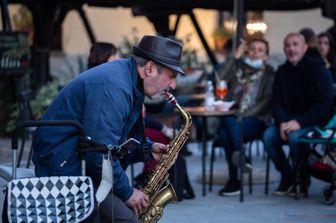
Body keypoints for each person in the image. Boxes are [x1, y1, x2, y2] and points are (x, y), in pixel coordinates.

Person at [32, 35, 185, 222]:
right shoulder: (114, 88)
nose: (173, 85)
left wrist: (148, 149)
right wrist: (127, 192)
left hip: (81, 160)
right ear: (150, 69)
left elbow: (115, 142)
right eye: (171, 76)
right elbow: (99, 154)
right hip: (65, 166)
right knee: (127, 220)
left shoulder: (129, 80)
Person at [262, 32, 333, 197]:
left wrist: (299, 122)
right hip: (287, 122)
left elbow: (325, 103)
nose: (291, 49)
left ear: (304, 47)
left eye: (295, 44)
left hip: (313, 121)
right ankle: (288, 177)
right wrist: (281, 122)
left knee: (295, 137)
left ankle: (303, 180)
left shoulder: (318, 70)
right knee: (268, 136)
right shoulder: (282, 71)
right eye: (287, 45)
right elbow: (276, 102)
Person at [216, 38, 274, 196]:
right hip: (233, 119)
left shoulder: (269, 74)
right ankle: (241, 156)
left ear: (266, 56)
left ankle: (234, 181)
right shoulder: (238, 68)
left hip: (256, 120)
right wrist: (235, 55)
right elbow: (219, 78)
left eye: (260, 50)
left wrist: (242, 115)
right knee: (226, 128)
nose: (255, 53)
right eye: (252, 49)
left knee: (226, 127)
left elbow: (266, 102)